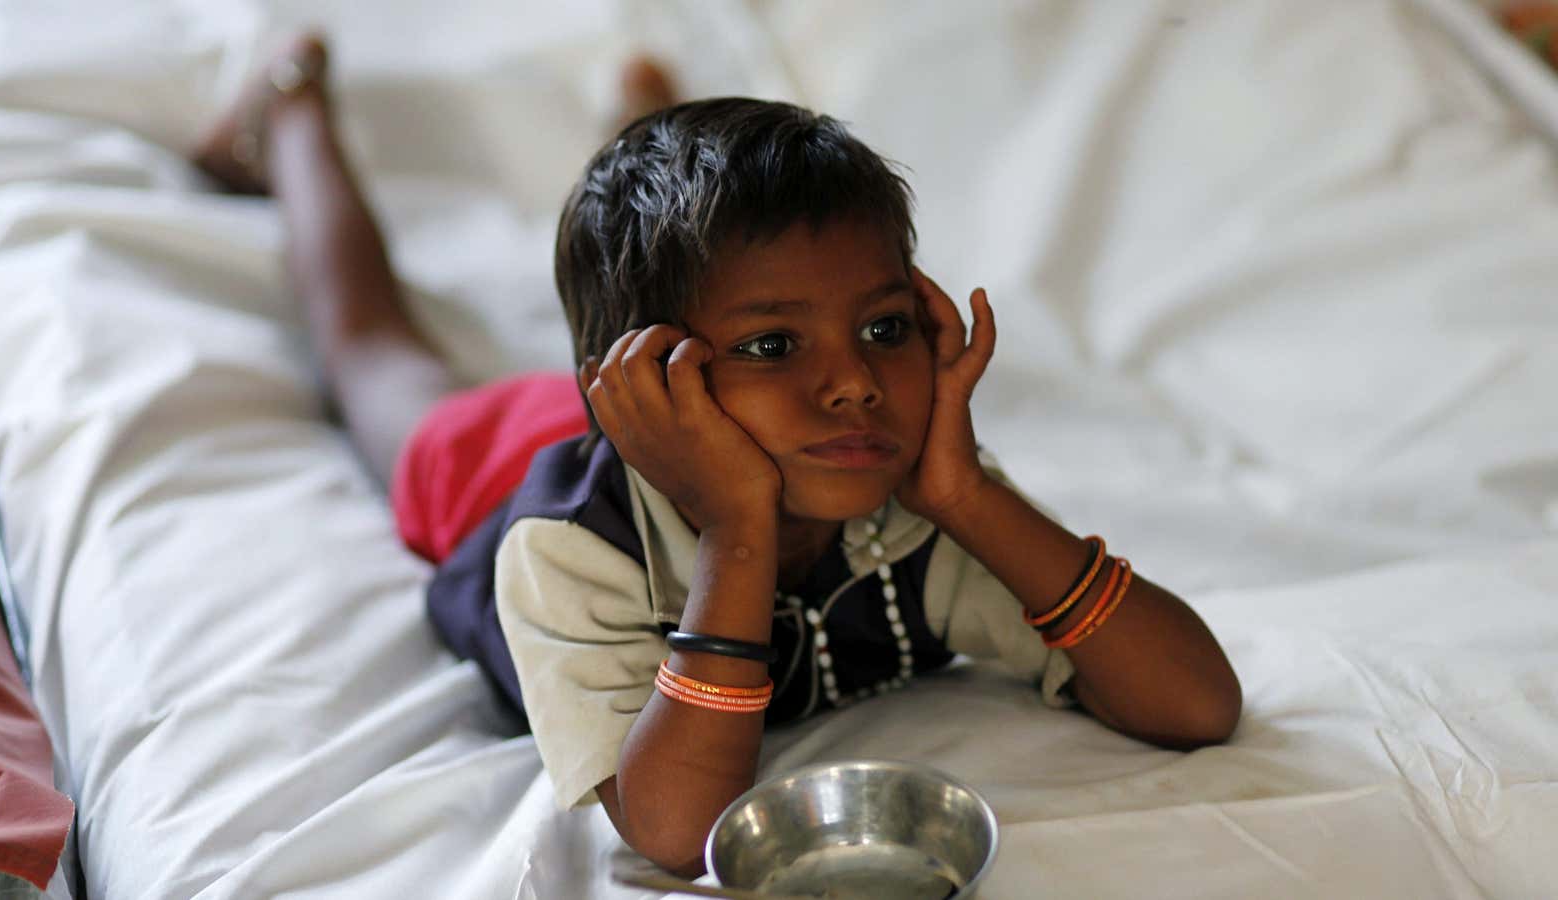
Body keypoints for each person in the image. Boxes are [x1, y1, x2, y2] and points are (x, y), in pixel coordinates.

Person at [193, 34, 1241, 876]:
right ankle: (288, 117)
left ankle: (636, 128)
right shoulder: (567, 549)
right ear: (644, 378)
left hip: (667, 405)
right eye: (776, 344)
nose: (854, 384)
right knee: (375, 352)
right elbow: (671, 830)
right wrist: (740, 534)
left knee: (664, 253)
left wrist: (969, 495)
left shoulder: (917, 498)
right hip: (498, 470)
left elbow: (1195, 704)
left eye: (883, 326)